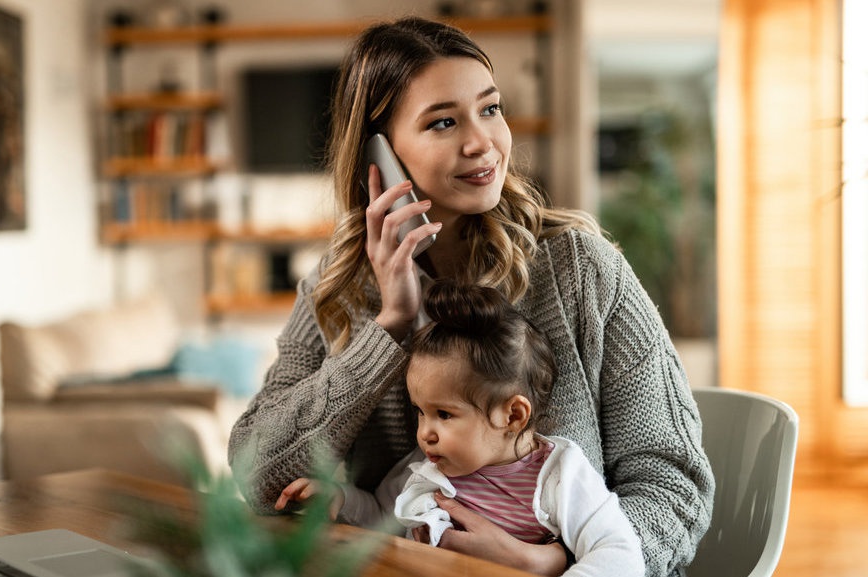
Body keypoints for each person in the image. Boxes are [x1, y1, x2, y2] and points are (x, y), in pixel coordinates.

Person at [228, 15, 713, 577]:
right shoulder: (336, 290)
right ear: (378, 156)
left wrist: (554, 562)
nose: (482, 142)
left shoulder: (580, 268)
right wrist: (390, 327)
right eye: (442, 123)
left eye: (490, 108)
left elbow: (674, 483)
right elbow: (259, 481)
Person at [274, 280, 645, 577]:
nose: (425, 432)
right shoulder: (429, 465)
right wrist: (340, 499)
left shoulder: (560, 475)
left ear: (513, 415)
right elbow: (381, 516)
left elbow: (618, 552)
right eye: (420, 411)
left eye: (444, 415)